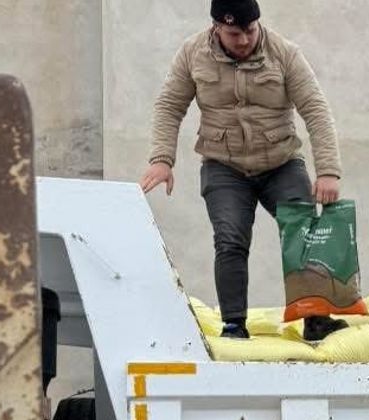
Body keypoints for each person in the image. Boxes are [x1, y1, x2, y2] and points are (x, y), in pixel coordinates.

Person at [141, 0, 342, 338]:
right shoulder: (192, 54)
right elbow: (170, 105)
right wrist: (162, 159)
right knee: (230, 239)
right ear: (217, 27)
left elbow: (315, 109)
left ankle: (316, 320)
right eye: (235, 34)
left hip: (280, 163)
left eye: (250, 30)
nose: (245, 40)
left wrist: (328, 171)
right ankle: (234, 324)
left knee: (305, 231)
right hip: (225, 166)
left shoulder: (284, 53)